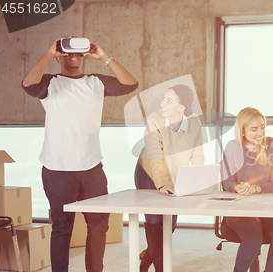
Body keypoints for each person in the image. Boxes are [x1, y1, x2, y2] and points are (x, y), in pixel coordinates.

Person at [21, 38, 138, 272]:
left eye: (77, 53)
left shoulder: (96, 82)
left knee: (98, 226)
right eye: (66, 53)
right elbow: (28, 85)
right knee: (62, 228)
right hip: (57, 169)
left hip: (92, 168)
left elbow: (129, 84)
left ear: (83, 56)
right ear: (58, 57)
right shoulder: (50, 83)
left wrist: (104, 57)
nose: (73, 56)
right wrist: (49, 51)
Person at [135, 84, 204, 272]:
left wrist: (198, 181)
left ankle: (146, 258)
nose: (162, 103)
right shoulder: (154, 119)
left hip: (175, 173)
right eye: (163, 99)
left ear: (181, 107)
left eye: (168, 100)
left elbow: (197, 153)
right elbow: (154, 154)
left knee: (170, 225)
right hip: (150, 172)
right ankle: (160, 268)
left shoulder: (194, 121)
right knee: (156, 222)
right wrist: (163, 183)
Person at [222, 107, 273, 272]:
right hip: (241, 209)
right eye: (254, 129)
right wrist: (238, 188)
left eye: (262, 127)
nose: (260, 132)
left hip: (270, 208)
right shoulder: (232, 147)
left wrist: (255, 188)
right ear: (243, 131)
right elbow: (227, 182)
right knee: (253, 237)